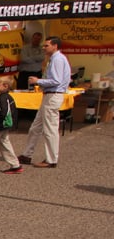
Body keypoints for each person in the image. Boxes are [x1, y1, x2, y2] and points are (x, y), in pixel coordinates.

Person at [19, 36, 70, 169]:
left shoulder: (58, 59)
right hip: (48, 95)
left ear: (55, 46)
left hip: (53, 95)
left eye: (46, 45)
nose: (44, 48)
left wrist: (38, 81)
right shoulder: (54, 59)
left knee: (50, 130)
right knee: (36, 127)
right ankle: (26, 154)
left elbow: (56, 80)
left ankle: (51, 159)